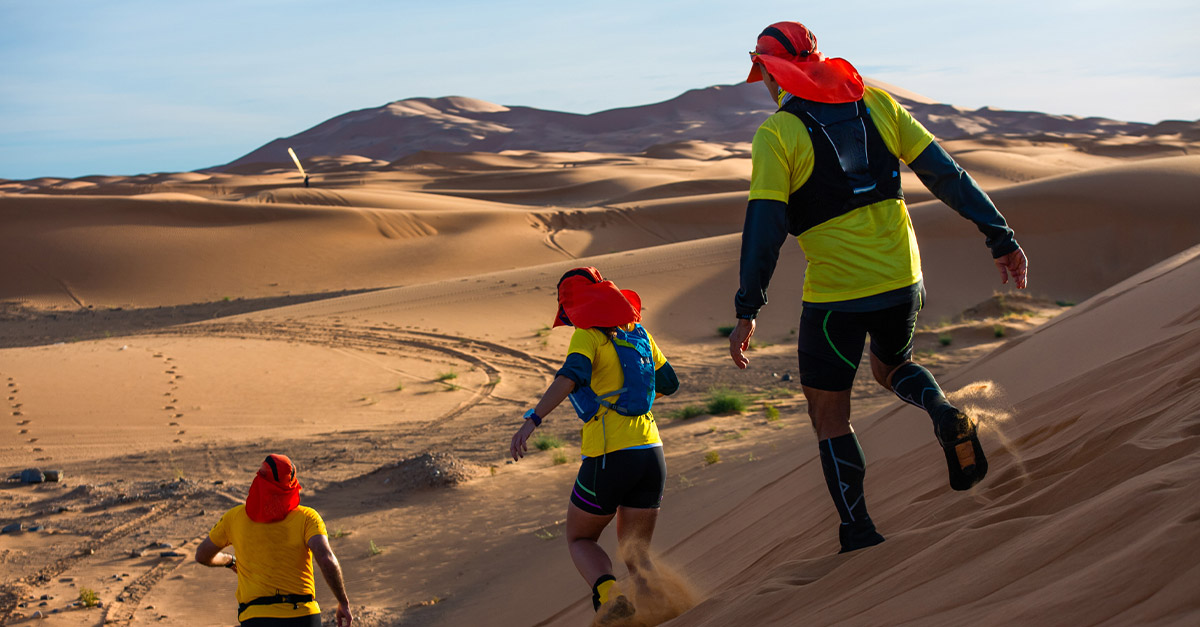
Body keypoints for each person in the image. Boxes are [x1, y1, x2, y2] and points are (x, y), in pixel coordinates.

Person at [728, 21, 1029, 554]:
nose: (767, 87)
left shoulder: (777, 134)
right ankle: (943, 412)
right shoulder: (878, 105)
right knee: (891, 367)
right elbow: (946, 174)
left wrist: (748, 307)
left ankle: (858, 531)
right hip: (903, 279)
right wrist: (999, 235)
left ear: (777, 73)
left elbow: (765, 228)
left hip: (836, 296)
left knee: (828, 414)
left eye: (766, 75)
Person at [510, 267, 680, 622]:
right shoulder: (639, 334)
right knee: (637, 555)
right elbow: (668, 382)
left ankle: (610, 594)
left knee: (580, 539)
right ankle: (662, 615)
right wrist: (631, 400)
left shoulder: (588, 337)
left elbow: (569, 377)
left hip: (610, 457)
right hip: (652, 454)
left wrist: (533, 420)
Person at [194, 454, 353, 626]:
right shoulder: (307, 517)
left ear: (259, 480)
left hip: (256, 618)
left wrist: (229, 561)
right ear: (291, 485)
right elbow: (326, 558)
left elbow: (202, 555)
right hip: (303, 616)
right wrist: (343, 602)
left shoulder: (234, 518)